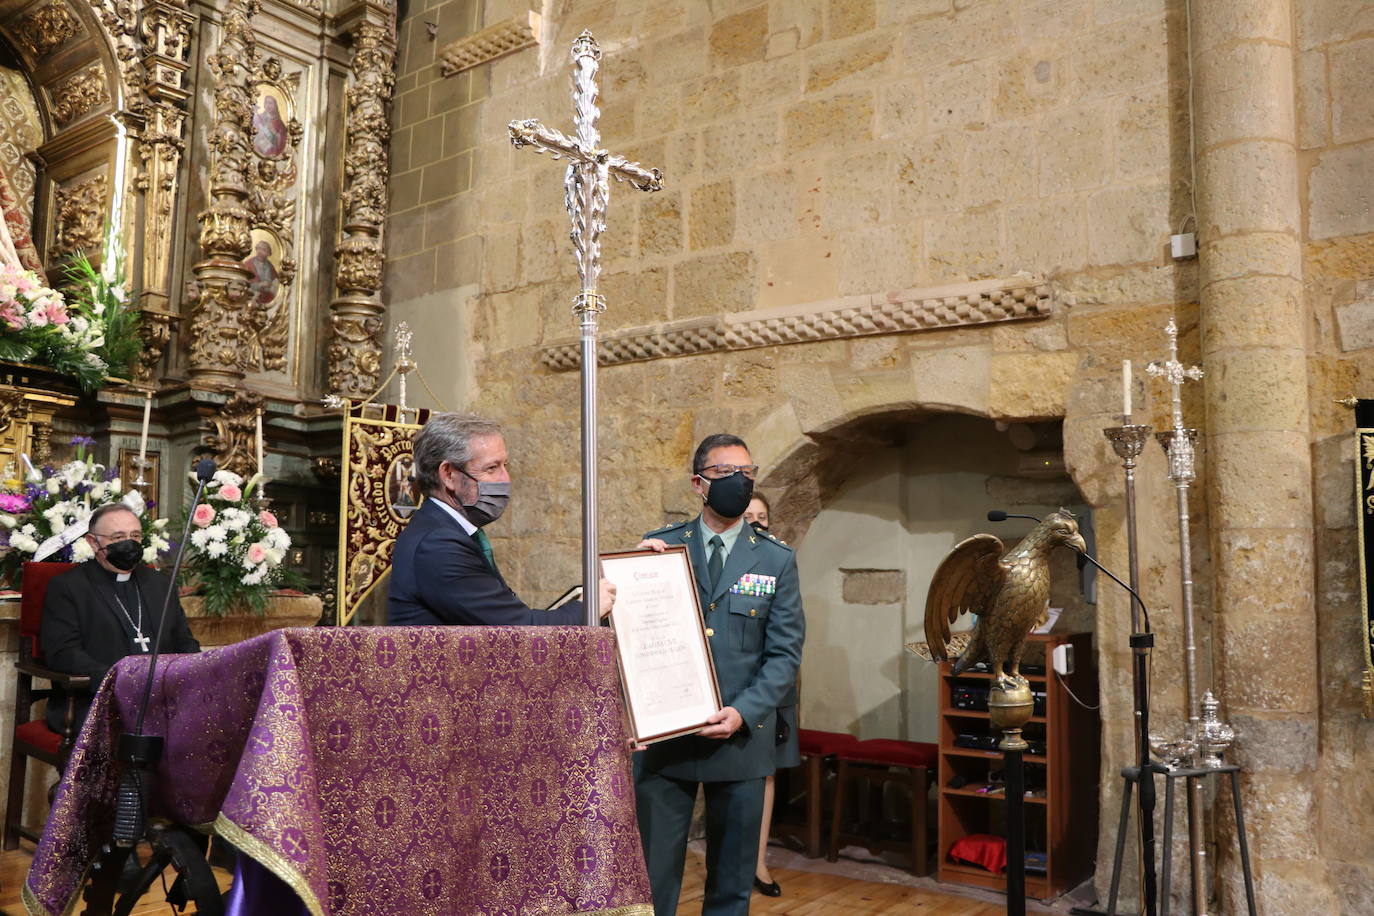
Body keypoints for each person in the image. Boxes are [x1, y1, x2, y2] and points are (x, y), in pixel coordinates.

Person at [634, 434, 805, 916]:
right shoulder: (661, 548)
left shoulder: (775, 559)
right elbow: (630, 637)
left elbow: (785, 654)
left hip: (739, 739)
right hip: (667, 739)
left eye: (747, 473)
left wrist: (743, 712)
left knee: (731, 885)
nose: (739, 482)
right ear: (698, 483)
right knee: (652, 880)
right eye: (726, 473)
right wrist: (631, 580)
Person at [387, 412, 615, 626]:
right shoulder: (438, 544)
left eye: (505, 465)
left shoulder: (446, 530)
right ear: (448, 475)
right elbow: (515, 631)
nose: (505, 479)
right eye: (492, 468)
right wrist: (587, 608)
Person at [40, 503, 200, 735]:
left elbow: (184, 642)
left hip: (163, 699)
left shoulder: (159, 584)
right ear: (93, 542)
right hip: (98, 700)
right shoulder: (69, 587)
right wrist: (119, 681)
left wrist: (197, 672)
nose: (129, 543)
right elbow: (62, 652)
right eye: (118, 536)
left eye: (135, 535)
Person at [742, 494, 800, 897]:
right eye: (750, 517)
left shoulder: (778, 561)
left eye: (763, 517)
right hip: (734, 685)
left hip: (772, 687)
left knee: (767, 772)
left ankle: (759, 861)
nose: (757, 523)